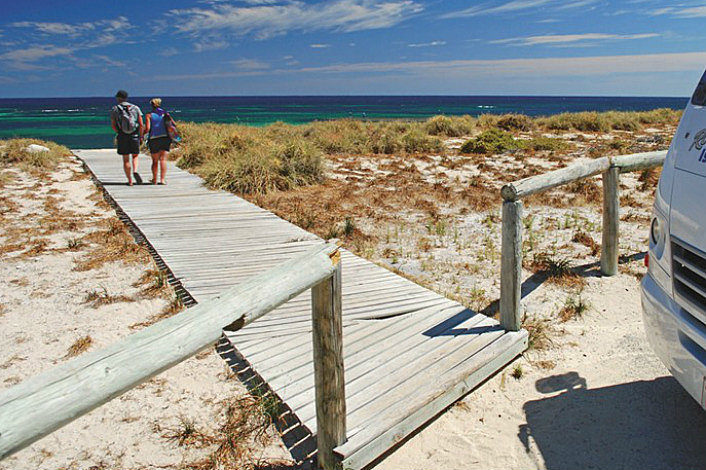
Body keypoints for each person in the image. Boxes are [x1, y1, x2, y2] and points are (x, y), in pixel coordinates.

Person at [110, 90, 144, 186]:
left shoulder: (115, 109)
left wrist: (119, 132)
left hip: (122, 135)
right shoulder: (135, 108)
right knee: (135, 155)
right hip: (134, 134)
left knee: (125, 159)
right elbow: (141, 124)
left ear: (118, 98)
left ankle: (130, 180)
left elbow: (113, 125)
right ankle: (135, 170)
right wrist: (141, 136)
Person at [144, 98, 172, 185]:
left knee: (155, 161)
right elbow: (172, 124)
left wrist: (142, 134)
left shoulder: (149, 115)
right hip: (165, 138)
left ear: (152, 105)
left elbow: (148, 128)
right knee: (163, 160)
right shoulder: (165, 114)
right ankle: (162, 180)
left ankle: (155, 179)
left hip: (154, 139)